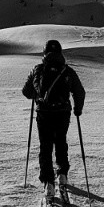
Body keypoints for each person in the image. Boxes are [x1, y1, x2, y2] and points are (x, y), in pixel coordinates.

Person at [21, 39, 86, 185]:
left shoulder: (37, 69)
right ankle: (62, 174)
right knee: (61, 142)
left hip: (44, 112)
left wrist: (37, 94)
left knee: (45, 146)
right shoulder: (67, 70)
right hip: (63, 112)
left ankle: (48, 181)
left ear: (45, 52)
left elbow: (26, 92)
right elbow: (79, 92)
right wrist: (77, 109)